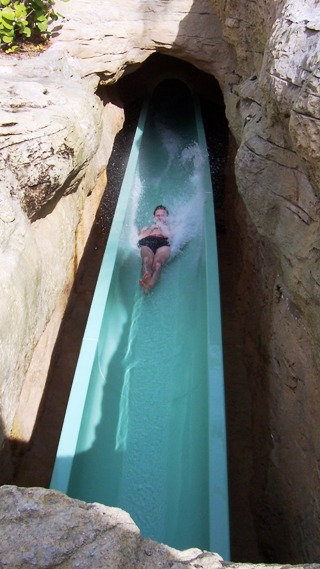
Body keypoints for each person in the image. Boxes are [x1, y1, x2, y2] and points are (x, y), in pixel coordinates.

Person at [137, 205, 171, 294]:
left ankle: (151, 283)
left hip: (163, 243)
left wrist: (162, 229)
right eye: (157, 215)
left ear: (166, 217)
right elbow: (141, 237)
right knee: (146, 259)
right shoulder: (147, 227)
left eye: (162, 215)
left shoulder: (169, 228)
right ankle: (147, 276)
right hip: (148, 241)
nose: (159, 217)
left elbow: (171, 237)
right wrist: (153, 227)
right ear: (154, 217)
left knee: (158, 263)